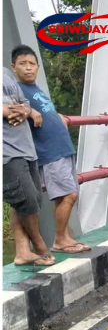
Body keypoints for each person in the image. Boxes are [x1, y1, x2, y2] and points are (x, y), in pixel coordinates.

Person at [11, 45, 90, 254]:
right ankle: (60, 240)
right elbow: (13, 110)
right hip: (50, 152)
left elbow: (45, 112)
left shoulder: (36, 90)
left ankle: (64, 237)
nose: (28, 68)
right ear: (13, 67)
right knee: (69, 195)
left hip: (62, 148)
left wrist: (57, 116)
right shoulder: (17, 91)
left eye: (32, 64)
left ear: (37, 67)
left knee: (65, 196)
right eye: (22, 64)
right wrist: (29, 111)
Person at [2, 66, 55, 266]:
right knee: (27, 200)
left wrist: (24, 110)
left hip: (25, 147)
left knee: (27, 200)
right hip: (6, 151)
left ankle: (22, 252)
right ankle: (39, 244)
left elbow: (24, 103)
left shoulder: (6, 72)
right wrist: (12, 110)